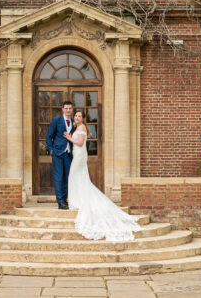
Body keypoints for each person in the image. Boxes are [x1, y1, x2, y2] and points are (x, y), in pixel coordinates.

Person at [64, 108, 143, 242]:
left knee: (74, 176)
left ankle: (79, 200)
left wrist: (69, 138)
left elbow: (80, 143)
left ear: (83, 118)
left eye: (79, 116)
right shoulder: (77, 127)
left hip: (79, 156)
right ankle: (77, 199)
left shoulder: (82, 127)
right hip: (77, 155)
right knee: (77, 178)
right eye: (76, 116)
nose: (77, 117)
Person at [45, 100, 75, 209]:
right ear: (62, 109)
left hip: (68, 153)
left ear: (72, 109)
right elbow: (49, 136)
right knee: (58, 177)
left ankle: (65, 199)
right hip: (57, 153)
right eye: (66, 108)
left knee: (67, 177)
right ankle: (60, 201)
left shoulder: (73, 121)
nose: (68, 110)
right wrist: (51, 149)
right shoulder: (56, 120)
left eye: (70, 108)